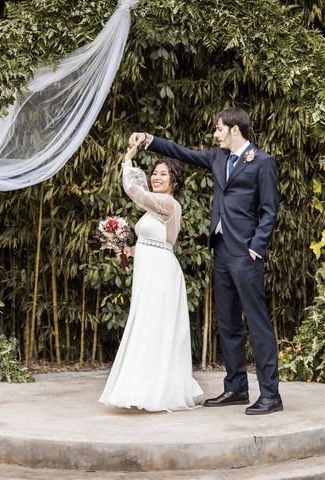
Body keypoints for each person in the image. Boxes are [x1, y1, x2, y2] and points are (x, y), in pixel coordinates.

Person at [129, 107, 282, 415]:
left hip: (246, 252)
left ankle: (271, 395)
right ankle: (236, 388)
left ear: (234, 130)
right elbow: (182, 153)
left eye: (219, 129)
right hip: (222, 248)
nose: (215, 134)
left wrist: (256, 248)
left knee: (257, 323)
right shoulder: (219, 158)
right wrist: (149, 140)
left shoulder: (263, 163)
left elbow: (270, 210)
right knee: (227, 322)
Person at [98, 143, 203, 412]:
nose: (156, 177)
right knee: (147, 325)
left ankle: (156, 391)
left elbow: (133, 190)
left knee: (156, 327)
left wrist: (128, 159)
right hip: (149, 270)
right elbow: (153, 240)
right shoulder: (155, 209)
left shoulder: (168, 204)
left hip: (161, 274)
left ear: (175, 181)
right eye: (154, 173)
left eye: (163, 174)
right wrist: (127, 250)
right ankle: (143, 386)